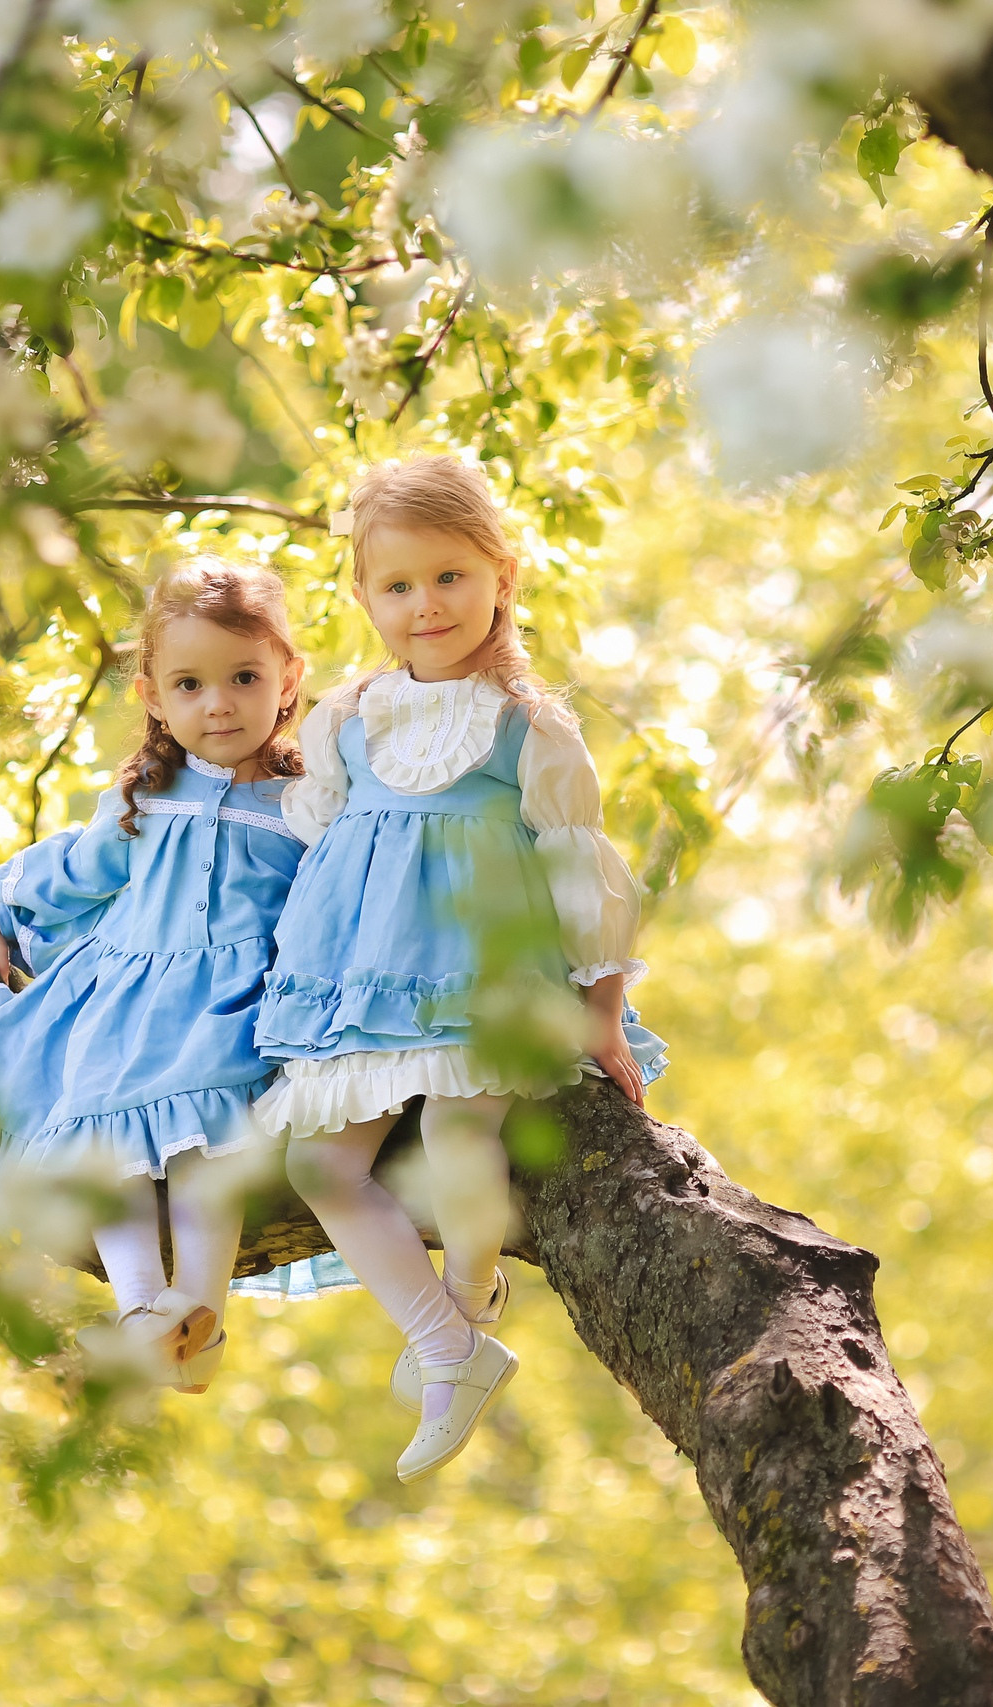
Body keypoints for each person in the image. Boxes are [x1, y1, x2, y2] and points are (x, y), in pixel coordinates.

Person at [258, 456, 665, 1481]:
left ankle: (471, 1301)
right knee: (320, 1163)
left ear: (501, 576)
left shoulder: (528, 725)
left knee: (457, 1126)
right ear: (362, 597)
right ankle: (450, 1343)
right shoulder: (347, 720)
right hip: (365, 983)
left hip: (484, 972)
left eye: (448, 577)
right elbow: (307, 839)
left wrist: (601, 1010)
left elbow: (581, 870)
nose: (424, 605)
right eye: (396, 586)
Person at [0, 558, 308, 1393]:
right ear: (156, 696)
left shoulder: (307, 804)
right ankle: (141, 1315)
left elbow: (346, 901)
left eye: (243, 677)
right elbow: (77, 873)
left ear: (287, 676)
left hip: (229, 1005)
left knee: (205, 1144)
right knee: (107, 1145)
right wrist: (1, 915)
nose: (219, 703)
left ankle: (198, 1311)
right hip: (126, 1000)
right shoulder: (144, 793)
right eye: (190, 684)